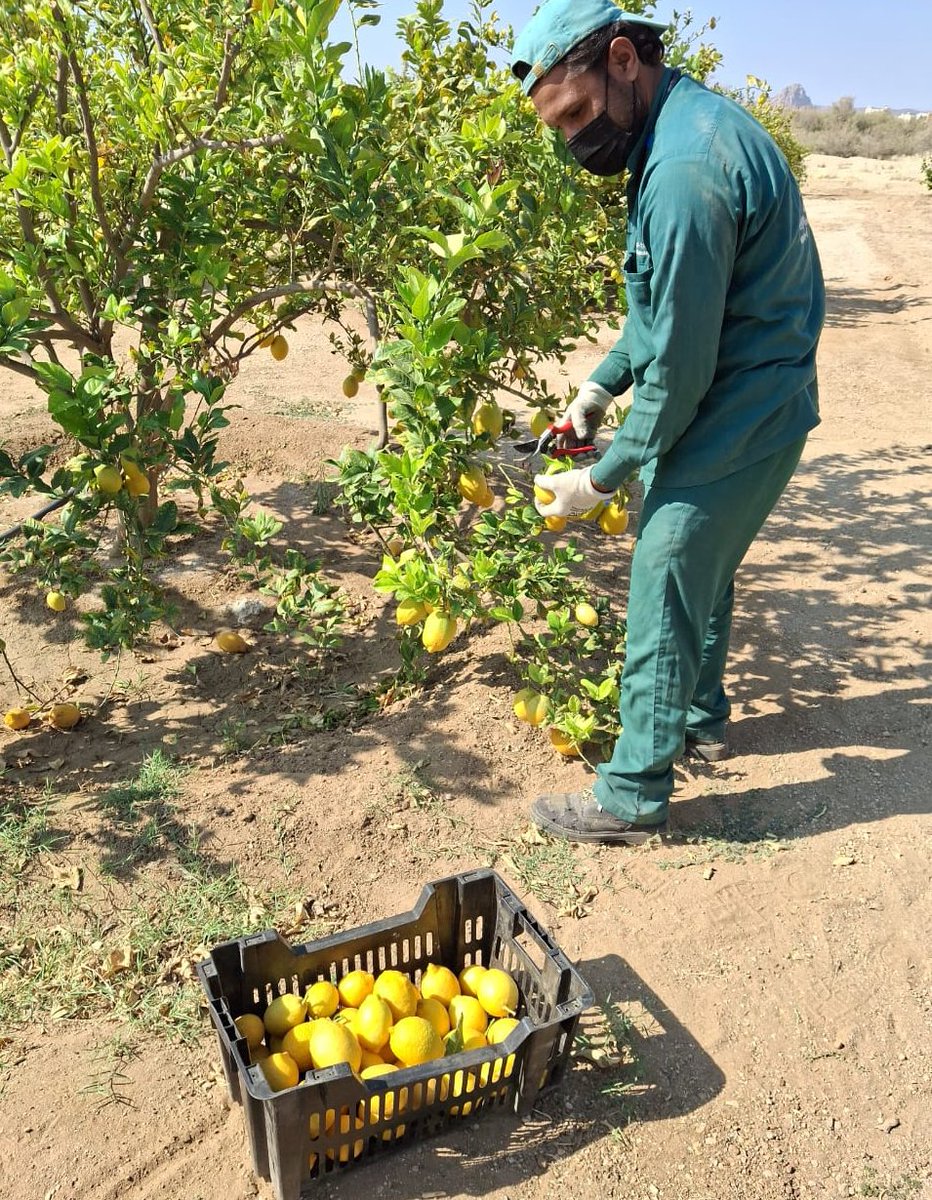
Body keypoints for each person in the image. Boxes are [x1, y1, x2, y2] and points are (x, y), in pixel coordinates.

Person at [511, 0, 825, 844]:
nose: (574, 141)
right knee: (702, 566)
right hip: (755, 397)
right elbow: (664, 311)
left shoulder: (684, 172)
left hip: (739, 408)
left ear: (622, 59)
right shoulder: (679, 130)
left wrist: (599, 477)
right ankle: (698, 715)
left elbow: (680, 370)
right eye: (557, 127)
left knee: (665, 565)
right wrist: (598, 387)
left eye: (575, 115)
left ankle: (633, 794)